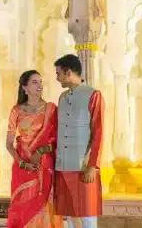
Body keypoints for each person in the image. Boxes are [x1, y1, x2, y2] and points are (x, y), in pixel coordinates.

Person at [51, 54, 106, 228]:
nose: (57, 78)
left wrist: (92, 165)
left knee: (87, 215)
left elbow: (99, 132)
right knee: (69, 216)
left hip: (83, 167)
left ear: (68, 72)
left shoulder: (94, 95)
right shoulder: (62, 97)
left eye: (58, 73)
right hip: (62, 166)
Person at [6, 70, 62, 228]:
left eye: (40, 81)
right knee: (23, 208)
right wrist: (23, 163)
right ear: (25, 88)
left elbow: (58, 141)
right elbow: (9, 144)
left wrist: (40, 151)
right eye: (34, 82)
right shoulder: (16, 110)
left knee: (44, 206)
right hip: (22, 167)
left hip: (43, 166)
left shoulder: (51, 109)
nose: (39, 85)